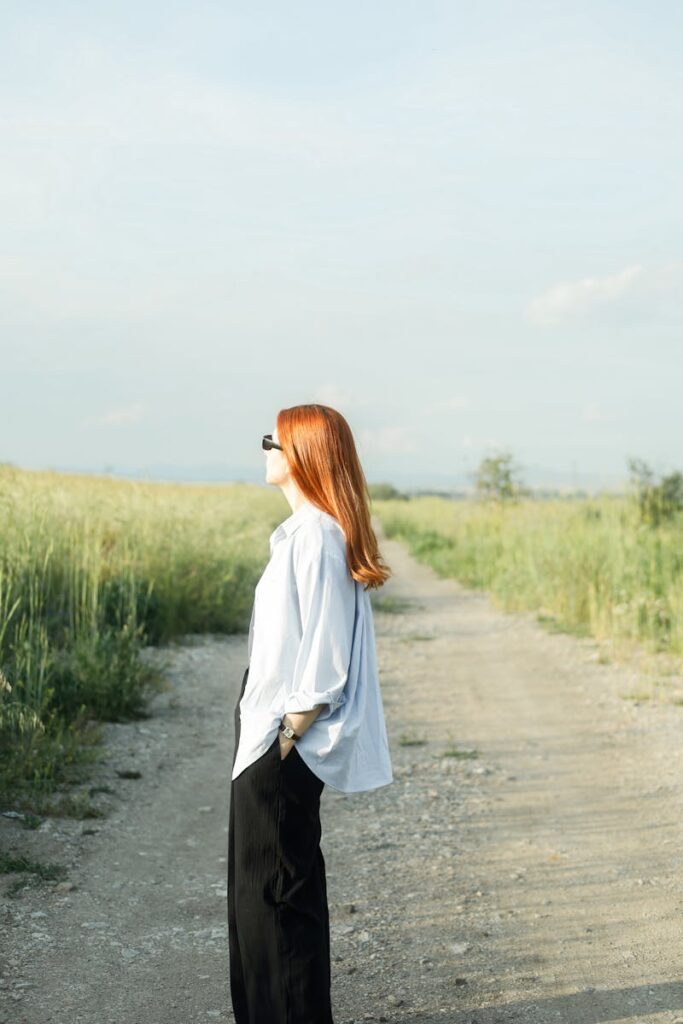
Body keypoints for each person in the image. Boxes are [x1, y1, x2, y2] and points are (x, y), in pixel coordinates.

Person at [227, 403, 394, 1024]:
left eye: (273, 438)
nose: (265, 447)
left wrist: (288, 734)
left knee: (278, 894)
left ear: (302, 453)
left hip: (284, 734)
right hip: (266, 727)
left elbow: (324, 656)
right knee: (256, 893)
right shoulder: (301, 533)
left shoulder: (319, 535)